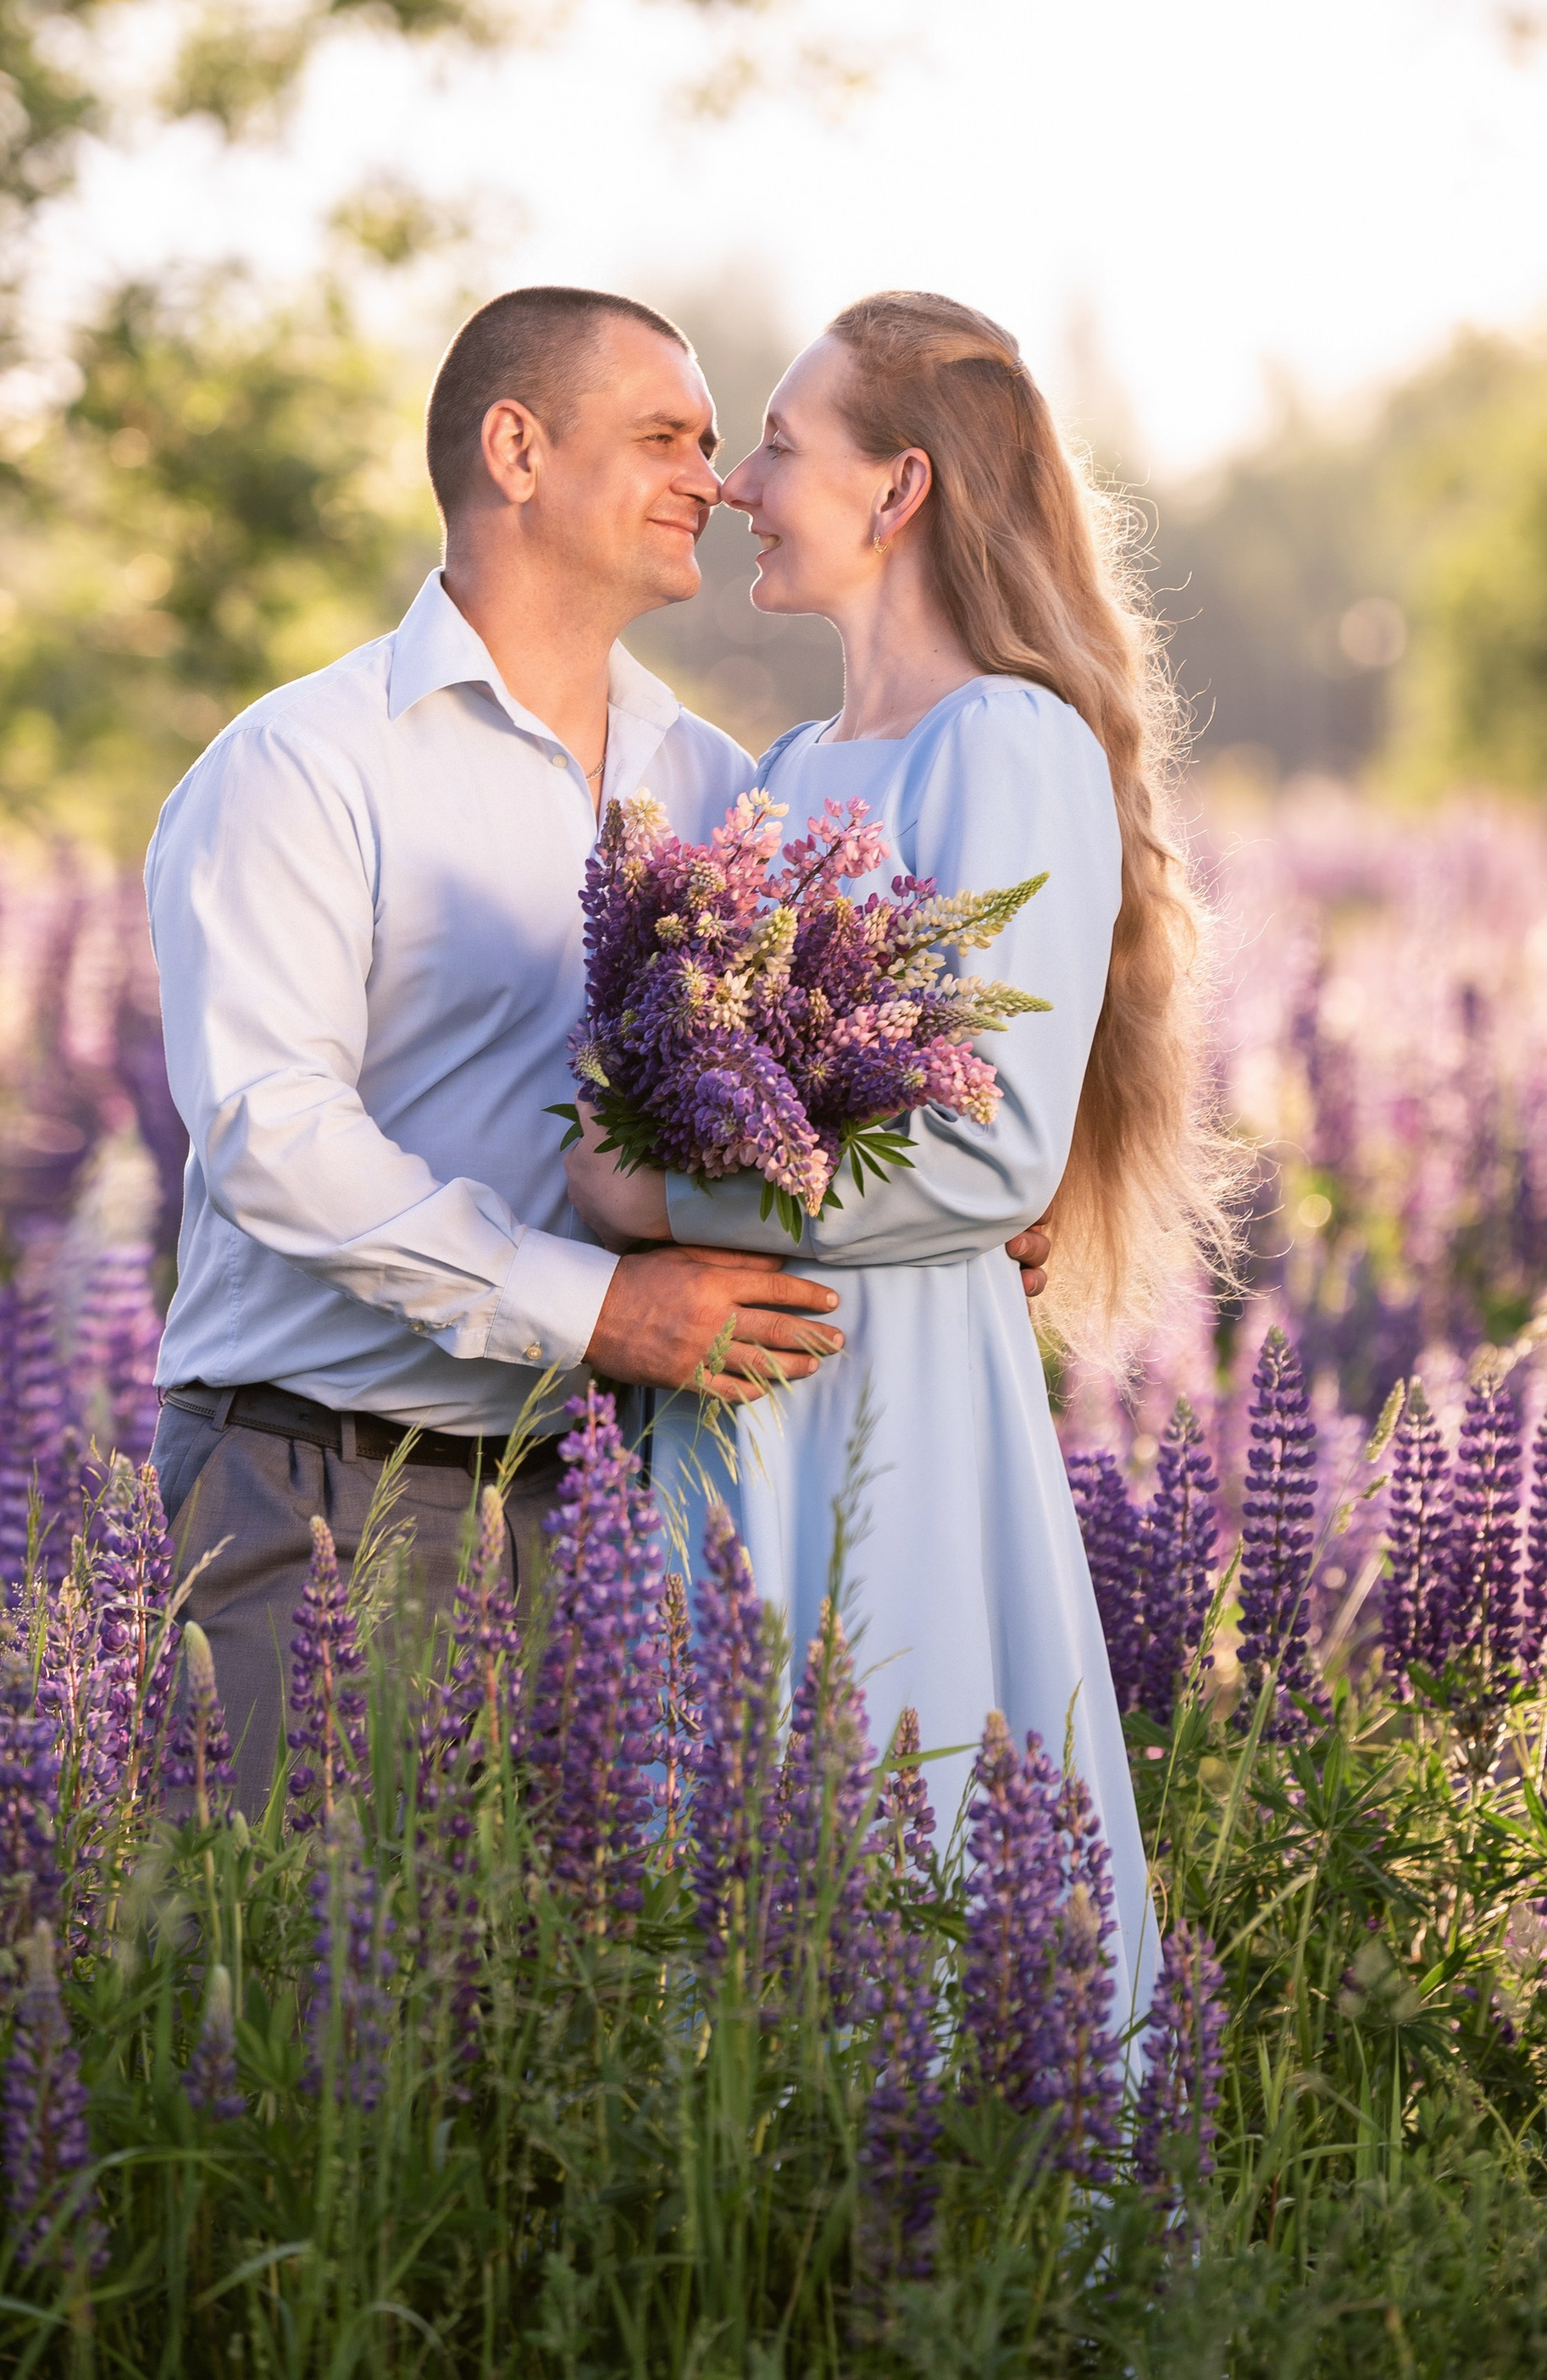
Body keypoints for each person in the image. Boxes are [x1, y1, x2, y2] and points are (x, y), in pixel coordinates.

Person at [144, 282, 1049, 1807]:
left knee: (583, 1966)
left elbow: (803, 1111)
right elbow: (270, 1137)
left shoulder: (719, 788)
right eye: (665, 438)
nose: (718, 479)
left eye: (719, 442)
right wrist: (597, 1309)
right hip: (325, 1497)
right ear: (516, 450)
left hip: (631, 1520)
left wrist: (939, 1212)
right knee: (283, 1954)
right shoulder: (304, 762)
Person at [565, 290, 1232, 2022]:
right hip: (734, 1393)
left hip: (893, 1394)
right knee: (719, 1887)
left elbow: (992, 1150)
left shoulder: (1005, 739)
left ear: (899, 486)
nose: (737, 485)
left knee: (903, 1841)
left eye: (779, 447)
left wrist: (657, 1200)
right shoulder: (786, 768)